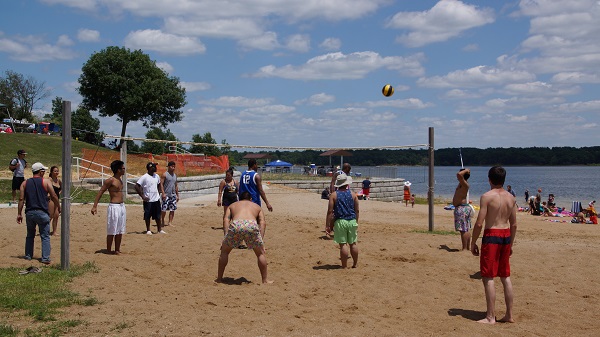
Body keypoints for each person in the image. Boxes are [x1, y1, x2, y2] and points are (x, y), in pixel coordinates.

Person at [471, 166, 517, 324]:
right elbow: (514, 224)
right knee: (505, 277)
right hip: (506, 236)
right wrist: (511, 243)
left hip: (492, 235)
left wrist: (473, 242)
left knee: (488, 277)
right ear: (504, 180)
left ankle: (490, 316)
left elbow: (479, 224)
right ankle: (509, 315)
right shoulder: (511, 198)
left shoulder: (487, 197)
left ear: (489, 179)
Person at [216, 191, 272, 284]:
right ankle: (265, 280)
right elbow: (262, 223)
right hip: (251, 225)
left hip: (236, 224)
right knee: (260, 254)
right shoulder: (257, 206)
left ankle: (219, 278)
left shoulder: (233, 205)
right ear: (251, 199)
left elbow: (226, 219)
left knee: (224, 251)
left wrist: (225, 235)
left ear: (239, 199)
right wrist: (260, 240)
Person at [16, 162, 60, 264]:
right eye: (43, 171)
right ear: (40, 172)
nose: (44, 172)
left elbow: (21, 199)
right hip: (42, 212)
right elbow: (53, 196)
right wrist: (58, 205)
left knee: (30, 235)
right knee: (45, 236)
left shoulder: (25, 183)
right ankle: (45, 258)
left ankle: (28, 255)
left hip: (30, 212)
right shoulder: (46, 182)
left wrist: (19, 213)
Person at [91, 160, 126, 254]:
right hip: (114, 207)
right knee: (112, 228)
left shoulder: (120, 180)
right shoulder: (110, 180)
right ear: (118, 170)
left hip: (121, 206)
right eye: (123, 168)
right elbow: (100, 192)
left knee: (120, 229)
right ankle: (108, 249)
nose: (124, 170)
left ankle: (117, 249)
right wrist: (95, 206)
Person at [326, 173, 360, 268]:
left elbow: (330, 211)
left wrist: (327, 225)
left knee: (343, 245)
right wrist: (356, 221)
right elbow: (357, 210)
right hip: (352, 220)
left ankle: (344, 266)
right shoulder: (353, 194)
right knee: (353, 244)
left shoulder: (334, 195)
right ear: (347, 183)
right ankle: (355, 264)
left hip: (340, 221)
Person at [135, 162, 166, 235]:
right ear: (149, 168)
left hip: (156, 199)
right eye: (154, 167)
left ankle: (159, 230)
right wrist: (143, 196)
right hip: (148, 200)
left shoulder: (157, 176)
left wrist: (158, 193)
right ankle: (148, 230)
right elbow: (137, 186)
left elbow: (159, 184)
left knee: (158, 215)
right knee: (147, 215)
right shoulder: (144, 177)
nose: (155, 168)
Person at [452, 168, 473, 251]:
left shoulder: (465, 184)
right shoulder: (461, 184)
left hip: (462, 208)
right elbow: (459, 176)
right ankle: (467, 247)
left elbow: (459, 175)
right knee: (466, 228)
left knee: (463, 230)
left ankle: (465, 248)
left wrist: (466, 170)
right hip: (463, 208)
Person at [161, 161, 179, 227]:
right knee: (164, 209)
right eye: (172, 166)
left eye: (174, 167)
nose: (173, 168)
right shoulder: (164, 174)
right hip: (166, 194)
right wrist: (163, 193)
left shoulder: (175, 175)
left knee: (172, 209)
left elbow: (176, 185)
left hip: (173, 195)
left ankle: (170, 222)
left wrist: (177, 195)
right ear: (168, 167)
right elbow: (161, 184)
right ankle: (162, 220)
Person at [48, 166, 62, 236]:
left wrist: (59, 193)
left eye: (57, 171)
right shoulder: (49, 180)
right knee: (50, 215)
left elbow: (61, 188)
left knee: (56, 215)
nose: (56, 172)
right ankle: (44, 230)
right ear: (51, 172)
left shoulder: (58, 180)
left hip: (57, 199)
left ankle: (54, 231)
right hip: (51, 199)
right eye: (55, 171)